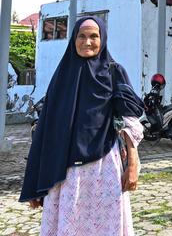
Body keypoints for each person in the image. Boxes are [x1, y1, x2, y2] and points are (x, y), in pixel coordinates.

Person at [20, 16, 145, 236]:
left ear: (102, 38)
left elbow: (130, 121)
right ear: (74, 39)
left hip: (104, 168)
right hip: (64, 172)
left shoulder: (114, 72)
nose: (87, 42)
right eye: (82, 36)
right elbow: (45, 130)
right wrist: (35, 182)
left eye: (94, 36)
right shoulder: (61, 78)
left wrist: (133, 164)